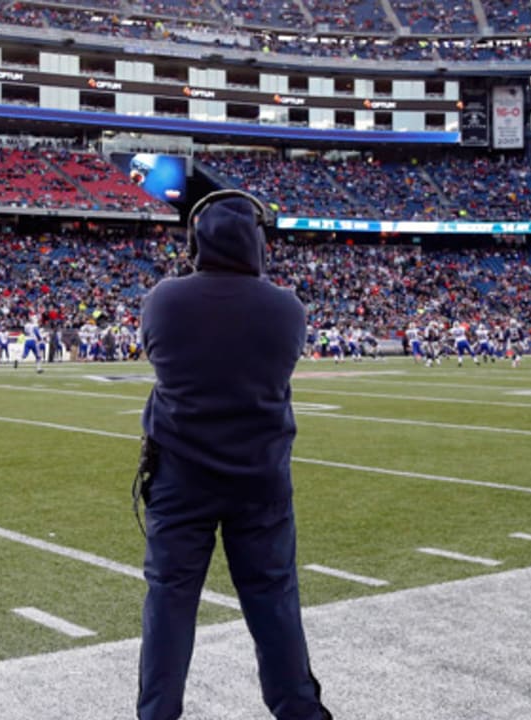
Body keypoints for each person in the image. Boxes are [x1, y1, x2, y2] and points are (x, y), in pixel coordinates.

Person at [136, 191, 331, 720]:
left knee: (170, 603)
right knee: (274, 603)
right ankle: (299, 710)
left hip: (179, 477)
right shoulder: (287, 307)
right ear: (258, 244)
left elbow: (157, 355)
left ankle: (157, 715)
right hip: (260, 478)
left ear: (197, 242)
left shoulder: (164, 300)